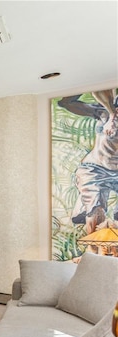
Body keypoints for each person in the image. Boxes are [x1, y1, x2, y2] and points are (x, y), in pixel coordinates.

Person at [58, 89, 118, 235]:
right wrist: (88, 86)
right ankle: (92, 253)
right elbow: (65, 102)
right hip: (94, 169)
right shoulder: (102, 112)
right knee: (96, 211)